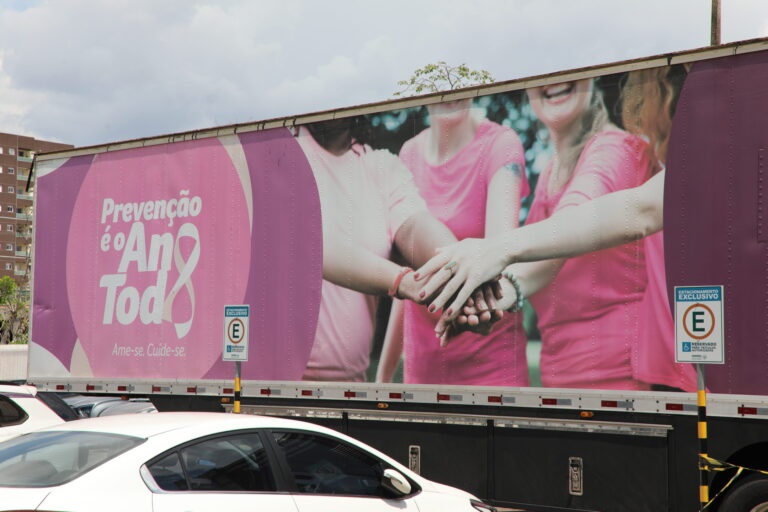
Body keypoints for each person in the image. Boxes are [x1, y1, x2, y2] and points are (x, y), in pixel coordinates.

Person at [416, 69, 697, 392]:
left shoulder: (615, 151)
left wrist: (491, 254)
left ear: (594, 75)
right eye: (540, 69)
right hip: (561, 383)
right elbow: (538, 268)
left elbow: (566, 231)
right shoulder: (551, 168)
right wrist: (489, 300)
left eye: (569, 65)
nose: (553, 77)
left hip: (621, 386)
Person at [294, 117, 460, 382]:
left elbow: (415, 225)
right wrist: (403, 281)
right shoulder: (280, 146)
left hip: (349, 386)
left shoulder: (381, 167)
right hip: (270, 382)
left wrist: (461, 270)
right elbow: (307, 241)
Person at [376, 99, 530, 386]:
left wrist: (473, 310)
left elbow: (499, 254)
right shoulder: (409, 154)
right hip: (422, 369)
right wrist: (383, 376)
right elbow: (410, 279)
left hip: (491, 370)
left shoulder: (500, 145)